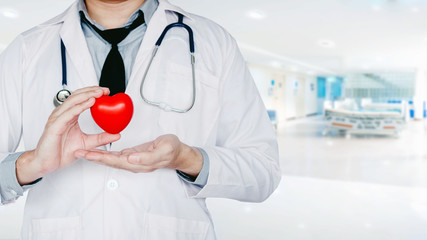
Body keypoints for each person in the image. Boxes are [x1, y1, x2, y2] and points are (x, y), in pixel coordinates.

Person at [0, 0, 281, 239]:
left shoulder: (213, 43)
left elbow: (263, 170)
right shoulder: (27, 49)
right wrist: (30, 164)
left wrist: (187, 158)